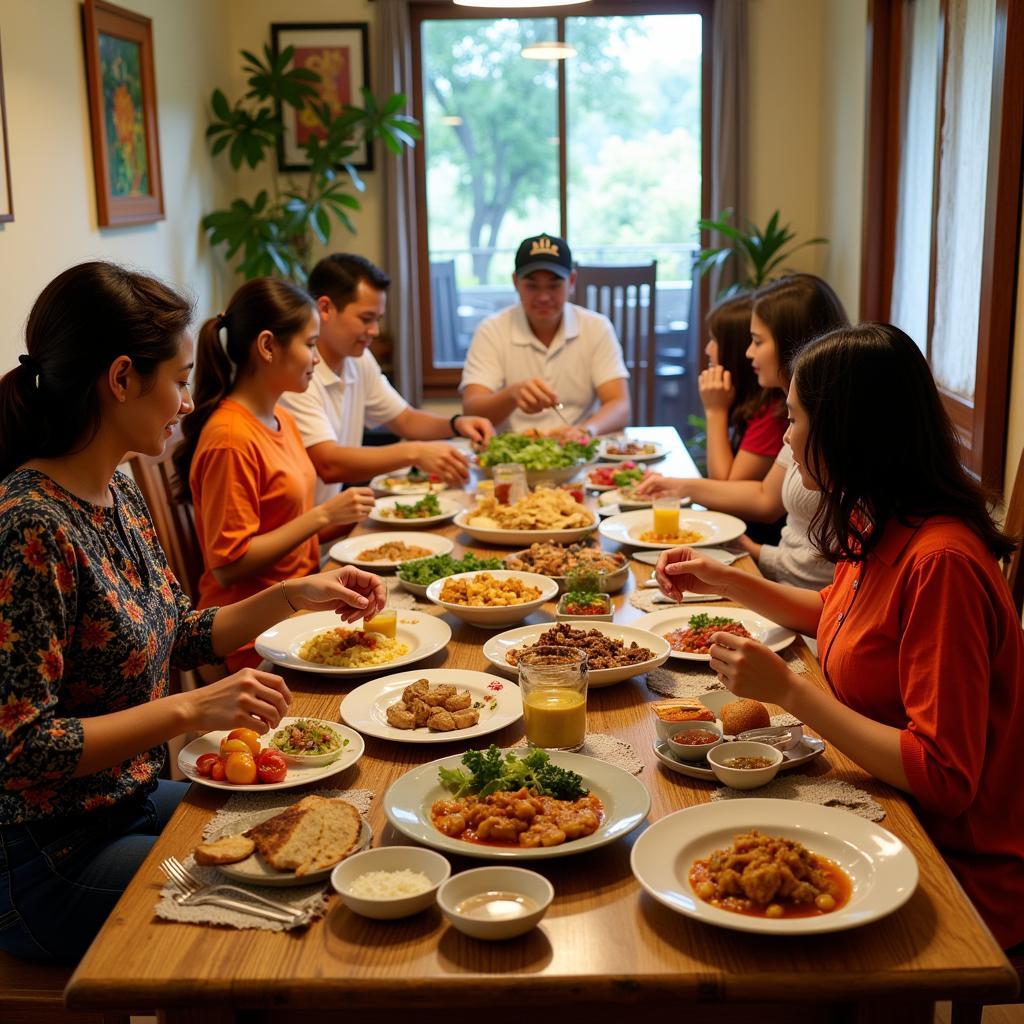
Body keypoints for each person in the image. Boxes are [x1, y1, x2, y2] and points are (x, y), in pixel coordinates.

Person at [0, 262, 386, 963]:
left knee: (329, 833)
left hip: (129, 802)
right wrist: (191, 710)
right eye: (178, 380)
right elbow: (23, 747)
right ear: (120, 380)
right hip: (50, 858)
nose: (186, 402)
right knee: (293, 904)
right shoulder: (30, 527)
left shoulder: (115, 488)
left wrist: (293, 595)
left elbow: (179, 630)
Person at [656, 322, 1024, 952]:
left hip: (957, 862)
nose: (788, 437)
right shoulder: (880, 515)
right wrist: (724, 579)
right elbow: (838, 610)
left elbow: (944, 776)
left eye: (795, 419)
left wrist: (794, 694)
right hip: (885, 803)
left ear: (848, 433)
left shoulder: (942, 564)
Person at [174, 278, 377, 671]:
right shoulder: (230, 438)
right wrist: (324, 515)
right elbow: (228, 565)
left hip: (299, 606)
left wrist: (352, 518)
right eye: (310, 344)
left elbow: (284, 528)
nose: (317, 358)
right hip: (252, 634)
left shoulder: (281, 416)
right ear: (268, 346)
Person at [637, 274, 848, 589]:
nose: (750, 353)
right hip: (779, 574)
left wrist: (714, 411)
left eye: (759, 341)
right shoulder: (795, 413)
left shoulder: (811, 419)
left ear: (794, 344)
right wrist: (681, 487)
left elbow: (748, 494)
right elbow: (767, 498)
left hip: (799, 593)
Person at [278, 254, 494, 502]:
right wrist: (414, 452)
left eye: (377, 320)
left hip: (326, 519)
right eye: (366, 319)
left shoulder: (358, 359)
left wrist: (456, 424)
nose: (375, 331)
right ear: (325, 308)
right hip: (304, 528)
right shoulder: (296, 375)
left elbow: (404, 419)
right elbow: (328, 464)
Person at [459, 233, 631, 435]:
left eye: (554, 285)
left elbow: (620, 404)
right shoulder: (492, 330)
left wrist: (585, 431)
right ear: (516, 282)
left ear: (572, 281)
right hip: (512, 454)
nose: (543, 297)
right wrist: (512, 395)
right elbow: (471, 409)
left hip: (578, 450)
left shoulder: (596, 327)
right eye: (532, 286)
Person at [700, 293, 785, 482]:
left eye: (714, 340)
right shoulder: (752, 402)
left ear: (735, 349)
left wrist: (715, 411)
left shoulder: (772, 412)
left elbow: (724, 486)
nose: (707, 349)